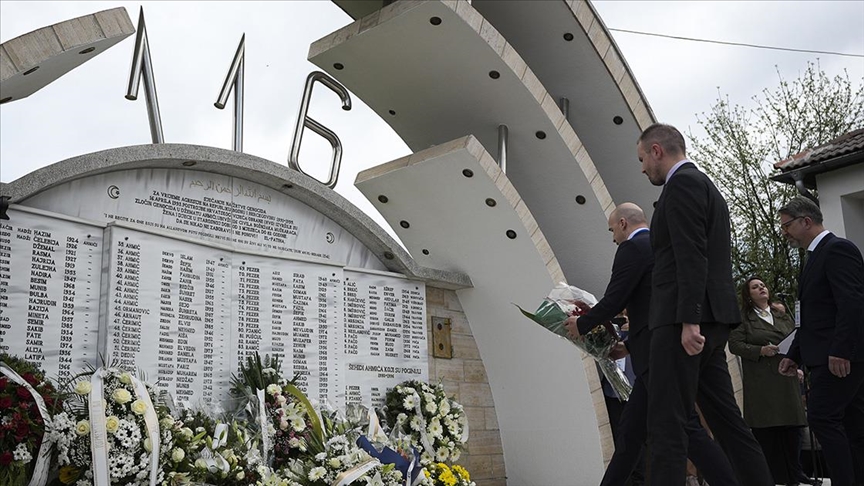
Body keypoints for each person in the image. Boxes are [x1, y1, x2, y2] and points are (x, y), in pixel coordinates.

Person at [636, 123, 773, 486]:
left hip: (683, 321)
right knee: (727, 421)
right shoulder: (706, 186)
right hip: (710, 321)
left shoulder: (681, 185)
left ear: (657, 151)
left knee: (667, 421)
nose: (642, 168)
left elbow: (690, 254)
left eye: (642, 159)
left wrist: (689, 321)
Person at [565, 202, 738, 486]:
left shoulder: (632, 249)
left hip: (657, 358)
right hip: (653, 350)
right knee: (631, 434)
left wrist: (581, 325)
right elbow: (654, 308)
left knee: (686, 427)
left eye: (612, 230)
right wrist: (630, 345)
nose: (612, 238)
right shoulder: (660, 247)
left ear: (623, 223)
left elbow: (615, 298)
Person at [777, 197, 864, 486]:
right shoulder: (812, 258)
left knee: (822, 417)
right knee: (852, 423)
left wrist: (842, 350)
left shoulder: (837, 249)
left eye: (787, 226)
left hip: (838, 358)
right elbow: (811, 316)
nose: (785, 233)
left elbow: (851, 303)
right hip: (823, 356)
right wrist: (794, 354)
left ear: (806, 221)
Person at [729, 277, 810, 485]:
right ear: (749, 295)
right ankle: (771, 476)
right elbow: (735, 345)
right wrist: (760, 350)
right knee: (768, 432)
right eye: (755, 287)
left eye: (763, 285)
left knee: (792, 430)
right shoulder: (744, 319)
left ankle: (795, 473)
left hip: (786, 377)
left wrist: (799, 366)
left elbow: (797, 339)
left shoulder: (781, 315)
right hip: (762, 382)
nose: (761, 288)